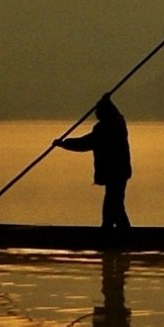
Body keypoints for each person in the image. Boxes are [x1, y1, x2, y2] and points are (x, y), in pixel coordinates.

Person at [54, 95, 131, 229]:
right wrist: (105, 99)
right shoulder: (117, 123)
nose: (95, 114)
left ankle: (110, 232)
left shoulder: (108, 127)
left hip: (116, 171)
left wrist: (64, 144)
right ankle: (119, 232)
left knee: (112, 204)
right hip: (119, 171)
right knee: (115, 203)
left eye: (98, 111)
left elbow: (86, 143)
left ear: (104, 112)